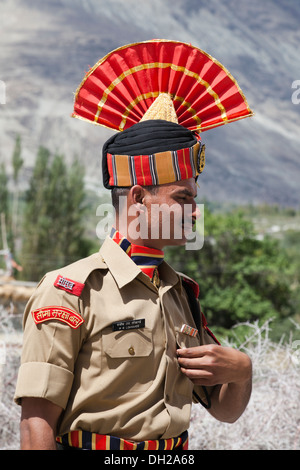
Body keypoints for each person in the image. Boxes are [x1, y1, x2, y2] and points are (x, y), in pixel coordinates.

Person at [14, 40, 253, 450]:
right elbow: (36, 426)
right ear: (139, 199)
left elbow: (225, 411)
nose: (195, 212)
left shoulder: (182, 295)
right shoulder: (71, 290)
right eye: (183, 198)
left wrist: (242, 370)